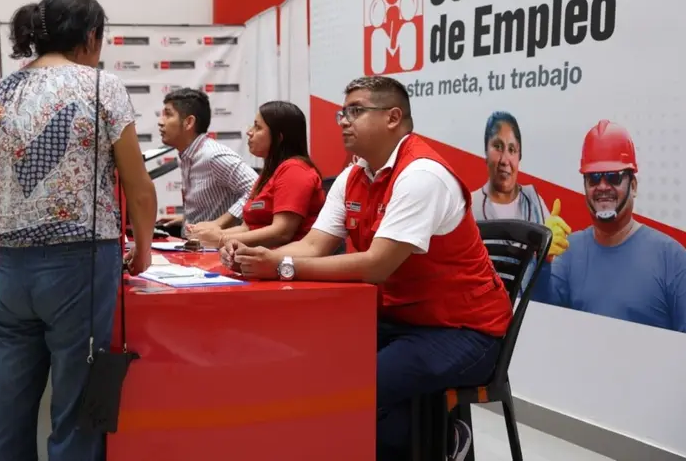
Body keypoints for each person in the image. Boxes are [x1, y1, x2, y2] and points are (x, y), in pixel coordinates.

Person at [223, 76, 513, 461]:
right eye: (343, 112)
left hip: (462, 331)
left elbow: (377, 265)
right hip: (400, 320)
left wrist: (281, 267)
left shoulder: (421, 175)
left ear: (393, 117)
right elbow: (313, 244)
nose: (344, 120)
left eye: (356, 111)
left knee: (352, 387)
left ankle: (438, 442)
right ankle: (432, 437)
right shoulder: (355, 173)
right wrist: (253, 254)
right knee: (309, 359)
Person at [0, 0, 157, 461]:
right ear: (91, 35)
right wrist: (143, 248)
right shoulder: (102, 86)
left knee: (9, 401)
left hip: (7, 263)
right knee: (76, 402)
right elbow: (138, 186)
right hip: (80, 262)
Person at [533, 120, 686, 332]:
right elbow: (539, 328)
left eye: (613, 177)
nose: (603, 187)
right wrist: (541, 263)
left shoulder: (673, 259)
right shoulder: (566, 253)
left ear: (633, 186)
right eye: (594, 178)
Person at [188, 100, 324, 249]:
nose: (249, 132)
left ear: (279, 137)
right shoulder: (269, 173)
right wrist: (208, 234)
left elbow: (282, 232)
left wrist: (221, 238)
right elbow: (248, 228)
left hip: (290, 265)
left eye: (258, 127)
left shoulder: (295, 170)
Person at [471, 111, 571, 291]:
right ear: (486, 152)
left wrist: (549, 258)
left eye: (512, 150)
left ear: (519, 156)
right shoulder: (470, 206)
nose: (504, 160)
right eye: (497, 146)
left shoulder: (534, 202)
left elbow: (553, 280)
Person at [156, 87, 258, 236]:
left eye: (168, 115)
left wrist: (219, 223)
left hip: (218, 252)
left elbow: (257, 188)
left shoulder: (214, 156)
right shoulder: (187, 155)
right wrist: (186, 219)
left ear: (189, 122)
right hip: (194, 249)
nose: (160, 122)